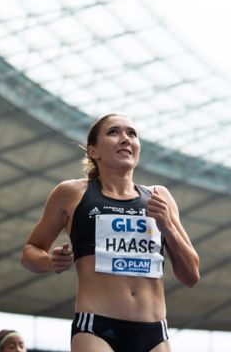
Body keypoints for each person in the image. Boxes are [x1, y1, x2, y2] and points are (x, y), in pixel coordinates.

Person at [21, 113, 200, 352]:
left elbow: (191, 276)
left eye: (132, 134)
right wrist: (50, 261)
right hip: (97, 330)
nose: (126, 139)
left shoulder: (159, 197)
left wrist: (168, 227)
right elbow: (29, 252)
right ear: (93, 151)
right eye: (114, 132)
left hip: (155, 333)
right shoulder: (71, 194)